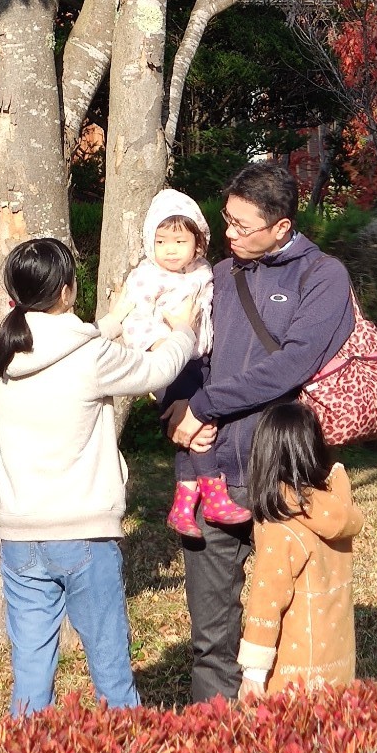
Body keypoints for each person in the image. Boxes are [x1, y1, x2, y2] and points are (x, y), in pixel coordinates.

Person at [162, 159, 355, 702]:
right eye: (226, 220)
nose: (227, 235)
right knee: (212, 639)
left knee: (293, 632)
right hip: (208, 474)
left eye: (241, 227)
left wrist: (205, 405)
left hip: (283, 476)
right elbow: (175, 346)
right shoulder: (217, 275)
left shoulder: (322, 276)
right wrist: (176, 409)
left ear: (282, 228)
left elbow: (291, 365)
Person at [0, 235, 199, 717]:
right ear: (67, 290)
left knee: (31, 675)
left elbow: (65, 346)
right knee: (111, 675)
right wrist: (183, 330)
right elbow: (157, 368)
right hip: (83, 532)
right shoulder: (91, 358)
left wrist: (113, 319)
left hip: (19, 535)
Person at [98, 186, 237, 539]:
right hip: (168, 361)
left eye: (178, 241)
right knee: (199, 424)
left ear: (199, 242)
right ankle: (213, 493)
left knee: (187, 426)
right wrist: (163, 343)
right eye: (160, 242)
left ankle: (182, 504)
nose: (169, 250)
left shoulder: (203, 272)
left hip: (199, 359)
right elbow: (132, 321)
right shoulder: (146, 277)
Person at [237, 401, 363, 700]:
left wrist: (254, 671)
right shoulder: (334, 507)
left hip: (294, 676)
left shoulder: (282, 525)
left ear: (264, 455)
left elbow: (266, 601)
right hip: (339, 663)